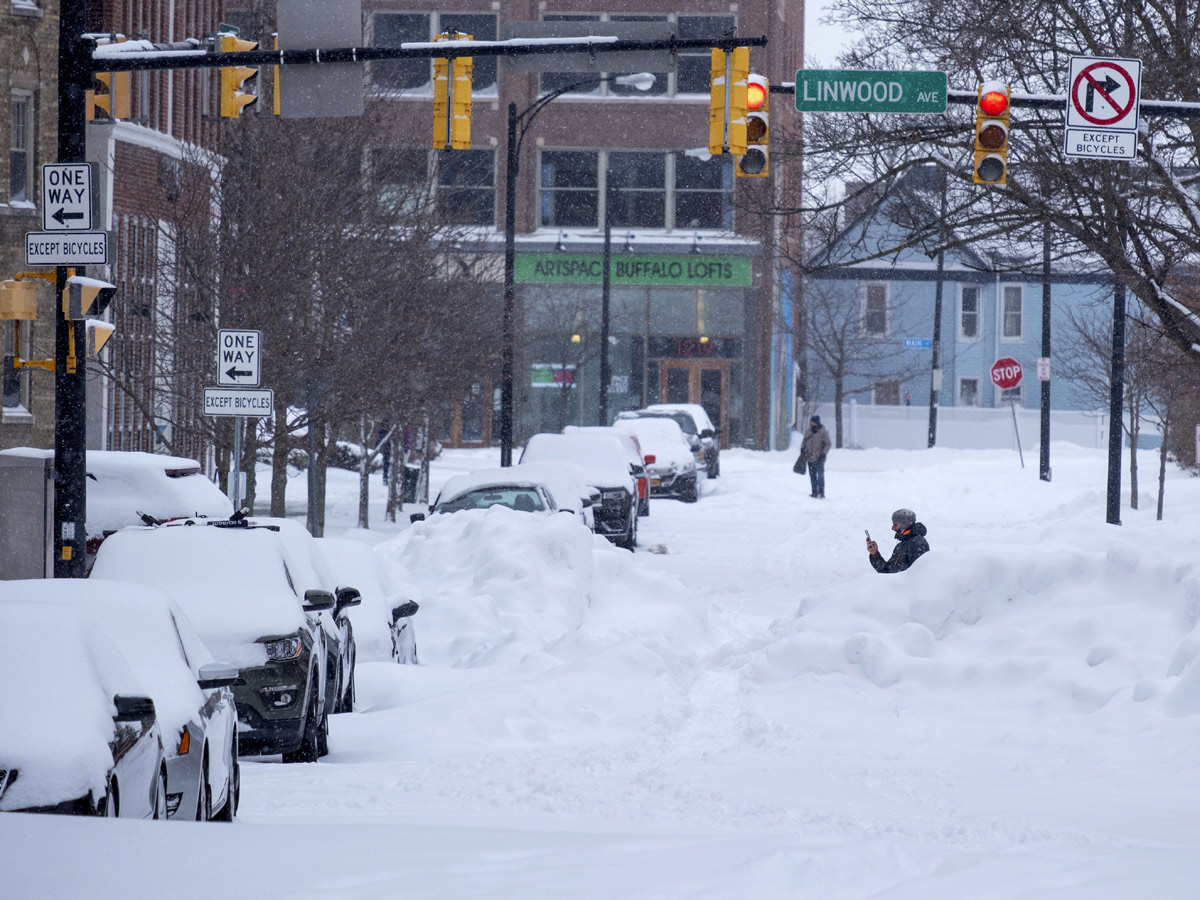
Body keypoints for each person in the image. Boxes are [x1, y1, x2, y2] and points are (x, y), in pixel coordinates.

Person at [867, 508, 930, 573]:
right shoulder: (901, 546)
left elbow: (919, 574)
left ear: (904, 524)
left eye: (895, 525)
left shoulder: (917, 543)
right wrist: (875, 554)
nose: (892, 528)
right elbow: (887, 571)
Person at [799, 415, 831, 498]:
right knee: (812, 476)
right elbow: (804, 441)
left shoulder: (823, 432)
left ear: (816, 422)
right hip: (809, 457)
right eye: (810, 422)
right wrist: (802, 448)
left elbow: (828, 444)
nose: (811, 423)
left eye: (812, 422)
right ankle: (814, 492)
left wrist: (823, 453)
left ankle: (821, 492)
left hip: (819, 458)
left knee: (820, 476)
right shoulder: (808, 431)